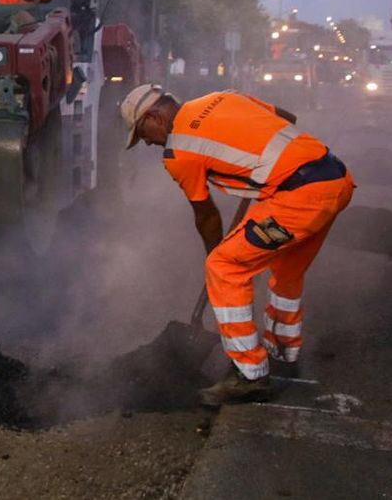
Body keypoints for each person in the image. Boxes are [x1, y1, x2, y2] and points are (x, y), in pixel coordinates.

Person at [120, 84, 355, 407]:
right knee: (286, 271)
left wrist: (215, 256)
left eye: (142, 132)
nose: (146, 141)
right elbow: (287, 118)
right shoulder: (222, 97)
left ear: (155, 116)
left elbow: (206, 214)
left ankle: (250, 376)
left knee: (224, 266)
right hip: (335, 179)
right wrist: (258, 162)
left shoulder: (178, 151)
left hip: (299, 198)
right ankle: (283, 356)